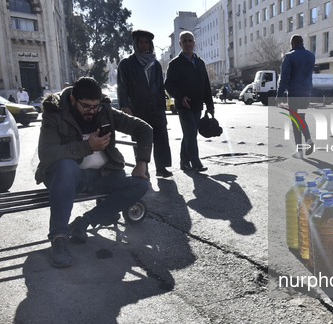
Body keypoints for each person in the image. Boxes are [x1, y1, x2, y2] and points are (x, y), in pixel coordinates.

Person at [35, 77, 153, 268]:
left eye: (95, 106)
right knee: (66, 166)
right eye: (86, 106)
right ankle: (59, 238)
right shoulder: (54, 112)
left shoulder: (104, 110)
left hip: (103, 176)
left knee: (140, 184)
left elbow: (144, 128)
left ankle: (84, 222)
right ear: (73, 100)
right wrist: (87, 146)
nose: (91, 111)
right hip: (67, 179)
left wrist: (142, 162)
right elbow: (46, 153)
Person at [118, 29, 173, 178]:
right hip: (138, 108)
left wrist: (163, 106)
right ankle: (144, 170)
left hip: (156, 108)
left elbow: (160, 87)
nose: (143, 45)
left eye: (146, 42)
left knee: (161, 137)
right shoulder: (127, 64)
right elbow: (122, 86)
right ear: (135, 44)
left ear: (150, 44)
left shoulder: (155, 64)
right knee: (141, 139)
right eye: (141, 42)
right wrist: (124, 105)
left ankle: (162, 168)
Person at [165, 31, 214, 172]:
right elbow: (168, 85)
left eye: (190, 40)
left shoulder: (200, 63)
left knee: (189, 134)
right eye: (184, 41)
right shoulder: (174, 64)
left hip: (198, 106)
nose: (187, 43)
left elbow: (206, 85)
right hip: (184, 107)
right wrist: (180, 98)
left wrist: (210, 105)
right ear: (180, 44)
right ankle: (195, 162)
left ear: (194, 43)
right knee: (191, 132)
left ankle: (184, 162)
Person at [275, 34, 315, 159]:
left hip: (294, 94)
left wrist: (279, 95)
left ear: (292, 44)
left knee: (295, 121)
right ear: (302, 43)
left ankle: (299, 151)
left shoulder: (289, 56)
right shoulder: (311, 56)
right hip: (306, 93)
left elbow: (284, 78)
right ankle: (308, 139)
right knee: (301, 118)